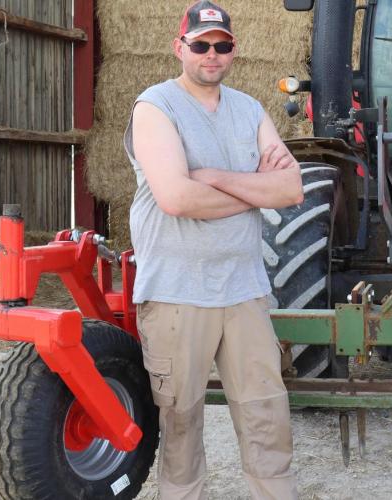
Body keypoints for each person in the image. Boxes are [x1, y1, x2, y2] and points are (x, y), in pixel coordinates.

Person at [123, 1, 304, 498]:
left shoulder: (249, 109)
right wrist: (253, 190)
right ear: (179, 46)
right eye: (200, 44)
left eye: (221, 45)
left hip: (244, 289)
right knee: (181, 422)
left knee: (267, 415)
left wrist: (218, 179)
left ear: (233, 51)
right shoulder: (154, 106)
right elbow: (177, 198)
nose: (211, 54)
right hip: (178, 291)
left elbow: (290, 190)